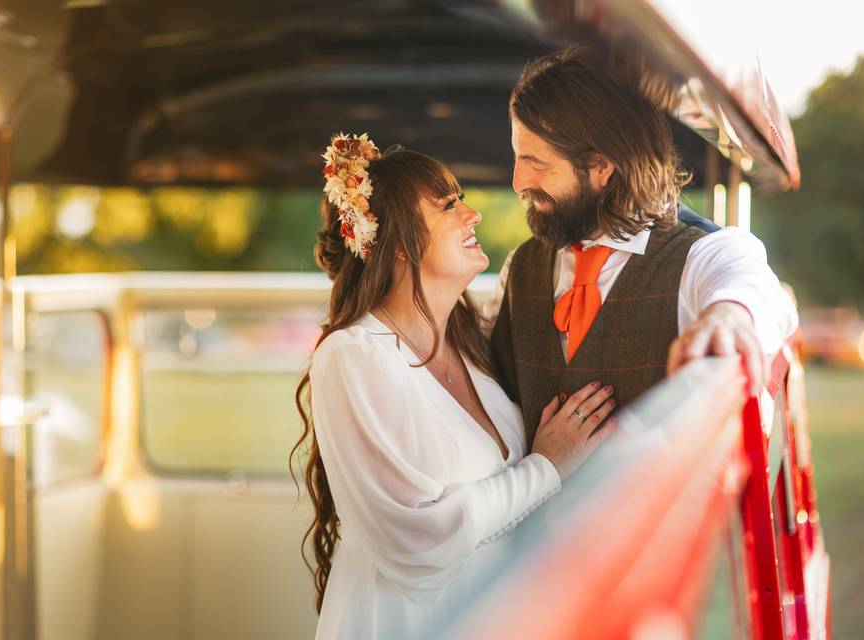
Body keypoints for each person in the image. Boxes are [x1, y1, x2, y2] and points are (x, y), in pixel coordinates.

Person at [292, 133, 617, 640]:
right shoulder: (354, 357)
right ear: (399, 245)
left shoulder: (473, 343)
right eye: (448, 205)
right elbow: (418, 544)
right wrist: (547, 466)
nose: (473, 215)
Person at [489, 46, 798, 440]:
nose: (518, 183)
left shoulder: (698, 254)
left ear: (602, 166)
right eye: (518, 157)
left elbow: (749, 280)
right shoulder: (519, 268)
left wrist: (730, 315)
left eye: (537, 163)